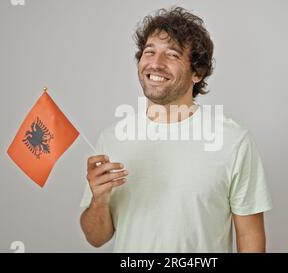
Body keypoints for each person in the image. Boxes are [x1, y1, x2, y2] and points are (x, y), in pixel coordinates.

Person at [80, 6, 272, 252]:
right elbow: (96, 238)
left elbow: (251, 239)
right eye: (149, 52)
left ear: (197, 73)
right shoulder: (112, 138)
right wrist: (99, 200)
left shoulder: (233, 140)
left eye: (172, 55)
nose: (156, 64)